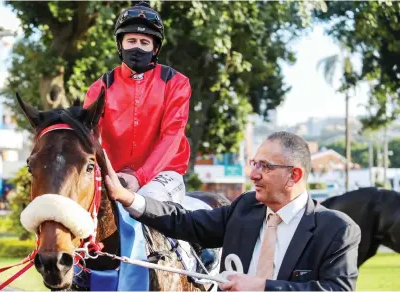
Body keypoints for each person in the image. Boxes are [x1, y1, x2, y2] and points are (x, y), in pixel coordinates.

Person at [104, 131, 361, 291]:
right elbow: (185, 222)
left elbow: (335, 289)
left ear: (294, 175)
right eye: (254, 164)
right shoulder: (245, 207)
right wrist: (129, 198)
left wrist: (263, 287)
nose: (253, 174)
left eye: (265, 167)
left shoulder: (338, 230)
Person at [83, 1, 191, 205]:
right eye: (131, 40)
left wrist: (140, 177)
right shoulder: (100, 88)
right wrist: (111, 174)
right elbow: (91, 139)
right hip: (113, 175)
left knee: (148, 203)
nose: (137, 47)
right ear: (120, 45)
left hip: (164, 175)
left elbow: (172, 135)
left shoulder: (176, 83)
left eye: (144, 42)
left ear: (155, 48)